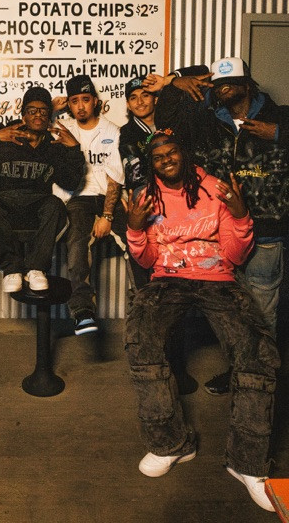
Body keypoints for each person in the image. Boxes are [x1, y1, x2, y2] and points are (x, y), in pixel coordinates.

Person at [125, 130, 278, 512]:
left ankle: (247, 463)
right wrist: (134, 228)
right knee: (141, 341)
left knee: (258, 352)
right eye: (158, 156)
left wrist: (240, 216)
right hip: (168, 279)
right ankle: (171, 444)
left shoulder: (216, 190)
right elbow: (146, 261)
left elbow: (236, 256)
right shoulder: (146, 197)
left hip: (218, 279)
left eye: (171, 152)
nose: (166, 159)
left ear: (185, 153)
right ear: (151, 164)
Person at [151, 57, 289, 395]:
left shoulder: (279, 116)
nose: (224, 88)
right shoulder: (208, 121)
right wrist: (173, 80)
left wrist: (278, 133)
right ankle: (239, 372)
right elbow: (166, 124)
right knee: (235, 313)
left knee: (262, 314)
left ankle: (259, 383)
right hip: (222, 231)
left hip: (267, 229)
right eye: (219, 83)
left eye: (231, 81)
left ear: (247, 83)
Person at [0, 86, 84, 292]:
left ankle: (36, 268)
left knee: (55, 205)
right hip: (3, 201)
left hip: (36, 204)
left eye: (43, 111)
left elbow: (71, 182)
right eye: (32, 110)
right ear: (23, 116)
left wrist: (74, 149)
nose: (38, 115)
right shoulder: (6, 137)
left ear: (49, 117)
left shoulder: (53, 146)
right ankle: (11, 269)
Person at [120, 77, 197, 395]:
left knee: (177, 294)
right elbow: (136, 178)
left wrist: (174, 79)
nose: (140, 101)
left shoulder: (173, 123)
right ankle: (154, 369)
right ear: (127, 104)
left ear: (155, 97)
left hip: (181, 217)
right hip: (149, 218)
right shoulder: (128, 134)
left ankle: (177, 367)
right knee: (149, 296)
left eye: (145, 94)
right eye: (133, 97)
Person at [54, 75, 128, 334]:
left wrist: (107, 216)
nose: (80, 106)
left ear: (95, 101)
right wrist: (51, 108)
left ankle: (145, 304)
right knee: (76, 243)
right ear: (68, 104)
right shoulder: (62, 128)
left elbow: (114, 178)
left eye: (85, 99)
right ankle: (82, 310)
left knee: (137, 238)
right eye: (74, 101)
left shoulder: (112, 131)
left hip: (109, 198)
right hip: (79, 198)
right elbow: (29, 124)